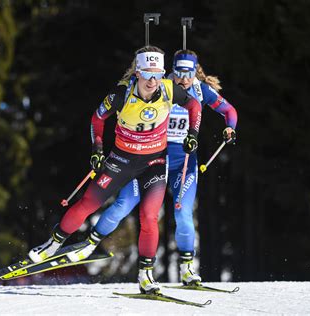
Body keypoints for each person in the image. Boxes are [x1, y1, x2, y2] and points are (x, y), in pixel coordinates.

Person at [28, 46, 202, 294]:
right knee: (89, 202)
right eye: (147, 73)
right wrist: (97, 149)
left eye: (158, 74)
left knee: (150, 217)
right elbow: (97, 119)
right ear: (138, 73)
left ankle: (145, 275)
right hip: (122, 159)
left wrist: (192, 134)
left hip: (154, 162)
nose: (153, 80)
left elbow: (195, 106)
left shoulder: (169, 88)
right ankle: (52, 244)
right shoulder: (122, 93)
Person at [72, 49, 238, 287]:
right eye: (178, 72)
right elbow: (127, 91)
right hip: (151, 160)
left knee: (182, 213)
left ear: (195, 72)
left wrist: (230, 128)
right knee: (123, 205)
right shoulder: (161, 85)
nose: (182, 78)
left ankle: (187, 270)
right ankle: (88, 243)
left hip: (183, 163)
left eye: (188, 73)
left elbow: (229, 111)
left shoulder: (201, 90)